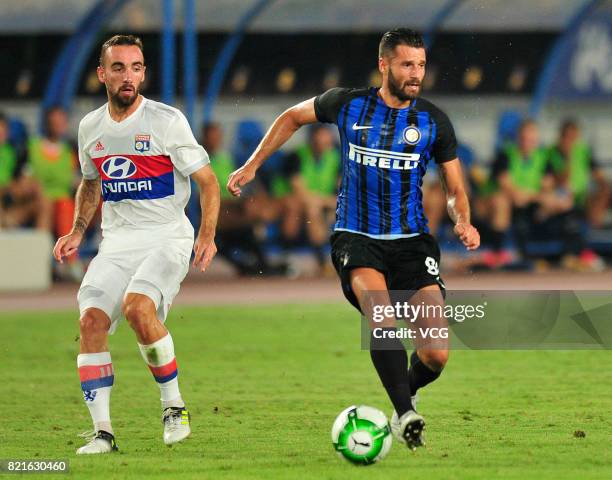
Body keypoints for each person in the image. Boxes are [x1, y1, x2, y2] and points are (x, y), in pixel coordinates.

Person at [227, 28, 480, 450]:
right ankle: (405, 414)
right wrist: (253, 166)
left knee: (436, 354)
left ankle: (407, 390)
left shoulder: (433, 121)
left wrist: (462, 221)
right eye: (406, 64)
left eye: (420, 64)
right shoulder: (347, 104)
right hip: (356, 237)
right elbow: (291, 117)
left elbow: (455, 189)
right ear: (384, 65)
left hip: (413, 243)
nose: (416, 73)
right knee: (380, 317)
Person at [52, 35, 220, 454]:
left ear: (144, 73)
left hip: (167, 236)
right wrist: (77, 230)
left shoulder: (166, 121)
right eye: (119, 67)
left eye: (137, 67)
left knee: (137, 309)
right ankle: (103, 434)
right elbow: (91, 184)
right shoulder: (90, 127)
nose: (129, 76)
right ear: (102, 74)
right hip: (116, 243)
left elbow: (208, 182)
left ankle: (173, 406)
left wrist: (206, 235)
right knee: (90, 322)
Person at [283, 124, 340, 273]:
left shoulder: (337, 157)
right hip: (298, 202)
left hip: (324, 201)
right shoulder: (296, 156)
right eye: (319, 136)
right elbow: (299, 192)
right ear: (311, 138)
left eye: (326, 136)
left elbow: (343, 189)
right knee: (311, 208)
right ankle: (322, 261)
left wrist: (325, 201)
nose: (322, 141)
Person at [0, 112, 50, 230]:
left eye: (3, 130)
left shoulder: (12, 151)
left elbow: (21, 175)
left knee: (44, 202)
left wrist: (27, 185)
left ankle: (41, 246)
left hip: (11, 200)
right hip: (5, 197)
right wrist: (11, 187)